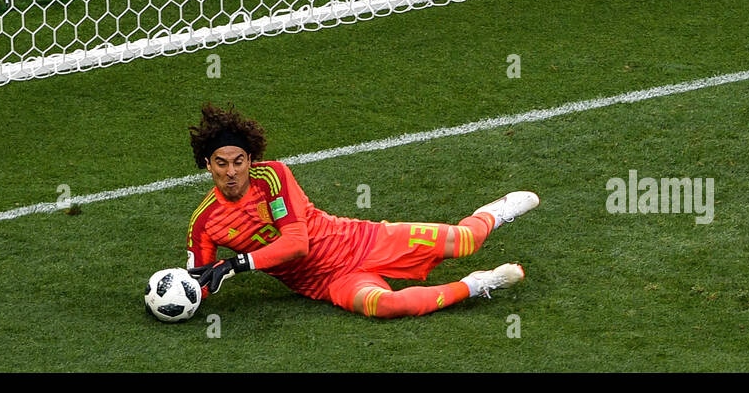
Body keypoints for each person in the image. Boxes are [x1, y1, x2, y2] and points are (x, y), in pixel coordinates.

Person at [183, 102, 538, 318]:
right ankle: (479, 284)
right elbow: (199, 281)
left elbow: (297, 244)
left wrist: (236, 264)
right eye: (221, 163)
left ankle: (496, 212)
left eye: (239, 161)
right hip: (328, 282)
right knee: (388, 306)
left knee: (466, 241)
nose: (231, 172)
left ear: (250, 159)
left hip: (362, 240)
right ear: (207, 164)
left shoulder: (273, 177)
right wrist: (185, 291)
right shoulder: (204, 223)